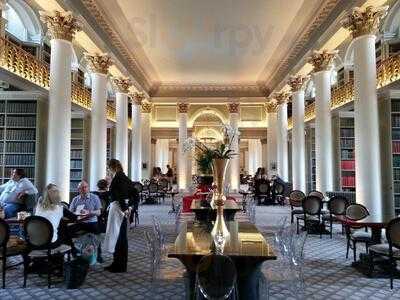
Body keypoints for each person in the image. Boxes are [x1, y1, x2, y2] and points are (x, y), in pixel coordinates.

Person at [103, 159, 139, 273]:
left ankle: (119, 265)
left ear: (112, 167)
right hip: (122, 210)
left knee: (118, 237)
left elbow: (120, 196)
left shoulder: (117, 179)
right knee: (120, 236)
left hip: (118, 210)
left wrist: (125, 208)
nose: (108, 170)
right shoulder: (125, 178)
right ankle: (117, 263)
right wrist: (130, 207)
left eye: (108, 168)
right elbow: (135, 194)